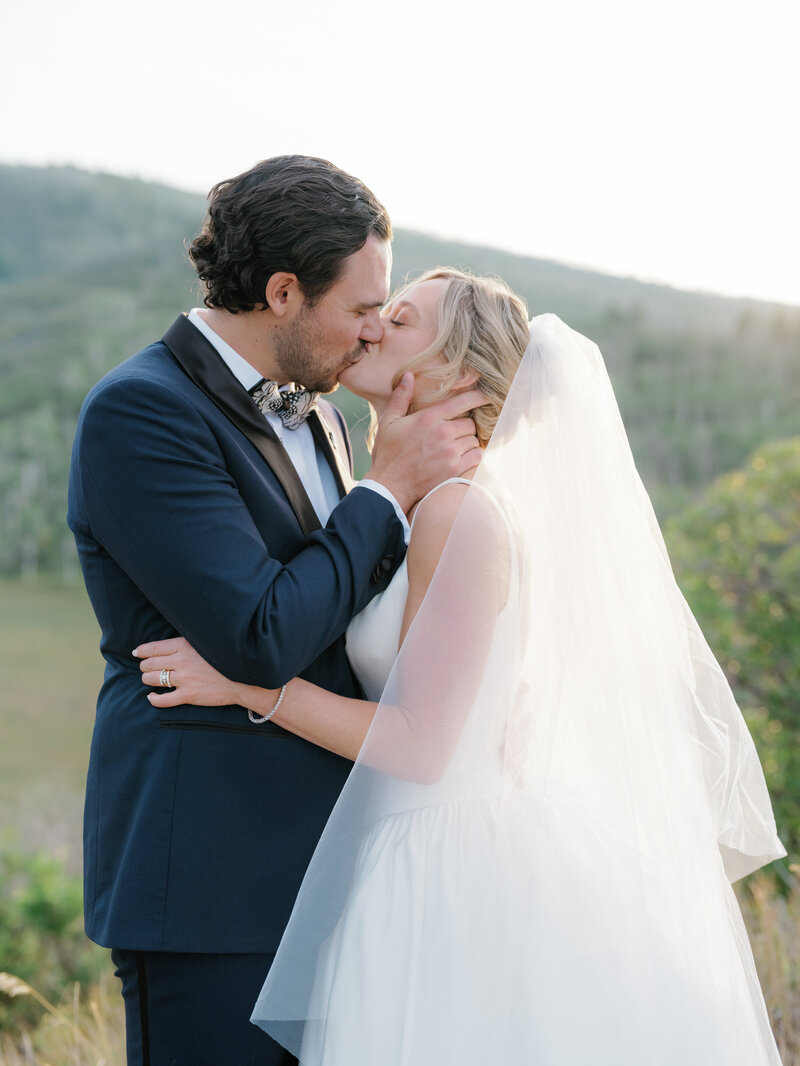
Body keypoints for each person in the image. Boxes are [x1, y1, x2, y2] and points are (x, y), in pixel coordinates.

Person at [137, 269, 786, 1064]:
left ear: (460, 373)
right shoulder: (412, 501)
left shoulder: (457, 510)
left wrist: (247, 683)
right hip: (414, 846)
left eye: (399, 321)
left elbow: (420, 744)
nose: (372, 329)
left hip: (455, 866)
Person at [67, 160, 488, 1066]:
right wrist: (388, 488)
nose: (375, 330)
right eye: (362, 307)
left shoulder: (327, 419)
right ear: (284, 292)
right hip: (212, 884)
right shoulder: (142, 413)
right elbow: (259, 633)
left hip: (342, 875)